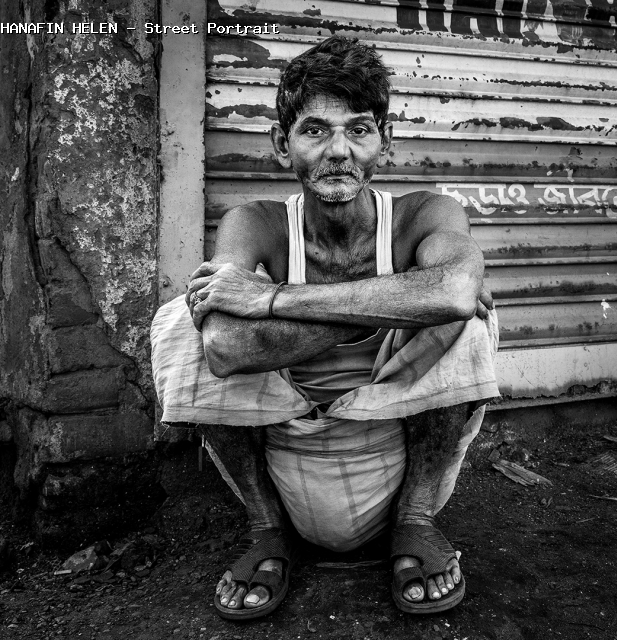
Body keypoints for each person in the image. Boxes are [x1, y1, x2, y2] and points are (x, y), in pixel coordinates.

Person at [149, 35, 499, 619]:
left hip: (393, 442)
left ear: (385, 140)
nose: (339, 151)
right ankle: (266, 528)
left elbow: (457, 295)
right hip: (289, 448)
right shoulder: (255, 222)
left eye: (358, 129)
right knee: (184, 322)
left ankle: (415, 520)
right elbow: (225, 345)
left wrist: (272, 300)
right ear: (280, 143)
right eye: (315, 130)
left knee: (469, 322)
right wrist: (409, 300)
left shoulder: (423, 214)